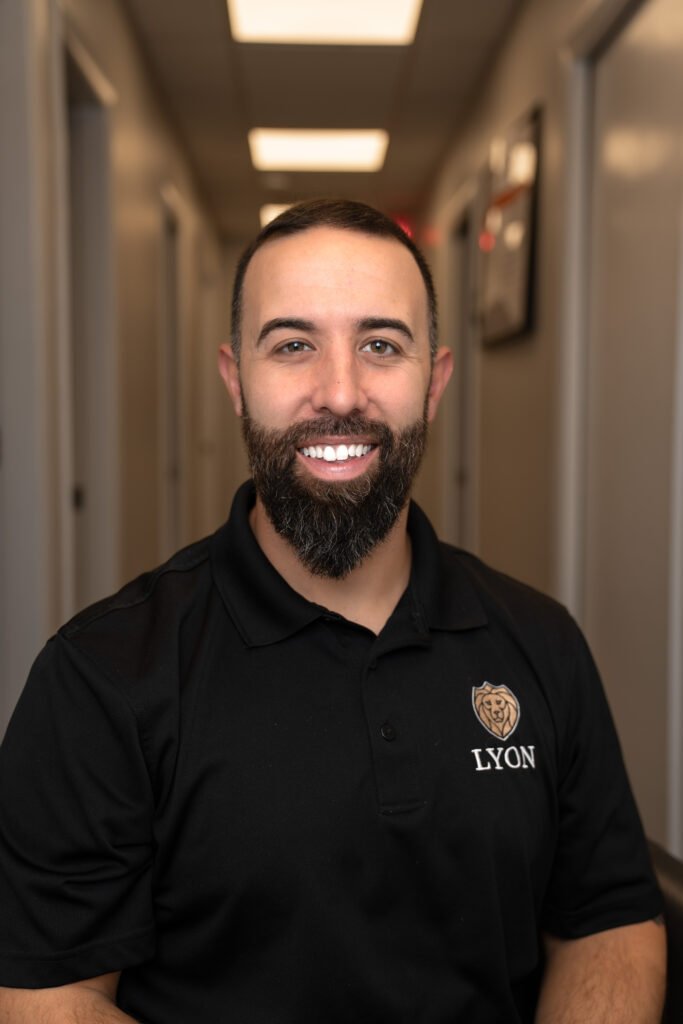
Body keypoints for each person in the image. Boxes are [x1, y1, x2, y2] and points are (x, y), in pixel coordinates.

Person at [0, 199, 665, 1022]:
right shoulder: (100, 677)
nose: (339, 392)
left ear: (435, 381)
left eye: (381, 345)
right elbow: (46, 998)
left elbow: (610, 922)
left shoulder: (539, 641)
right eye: (292, 345)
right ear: (235, 378)